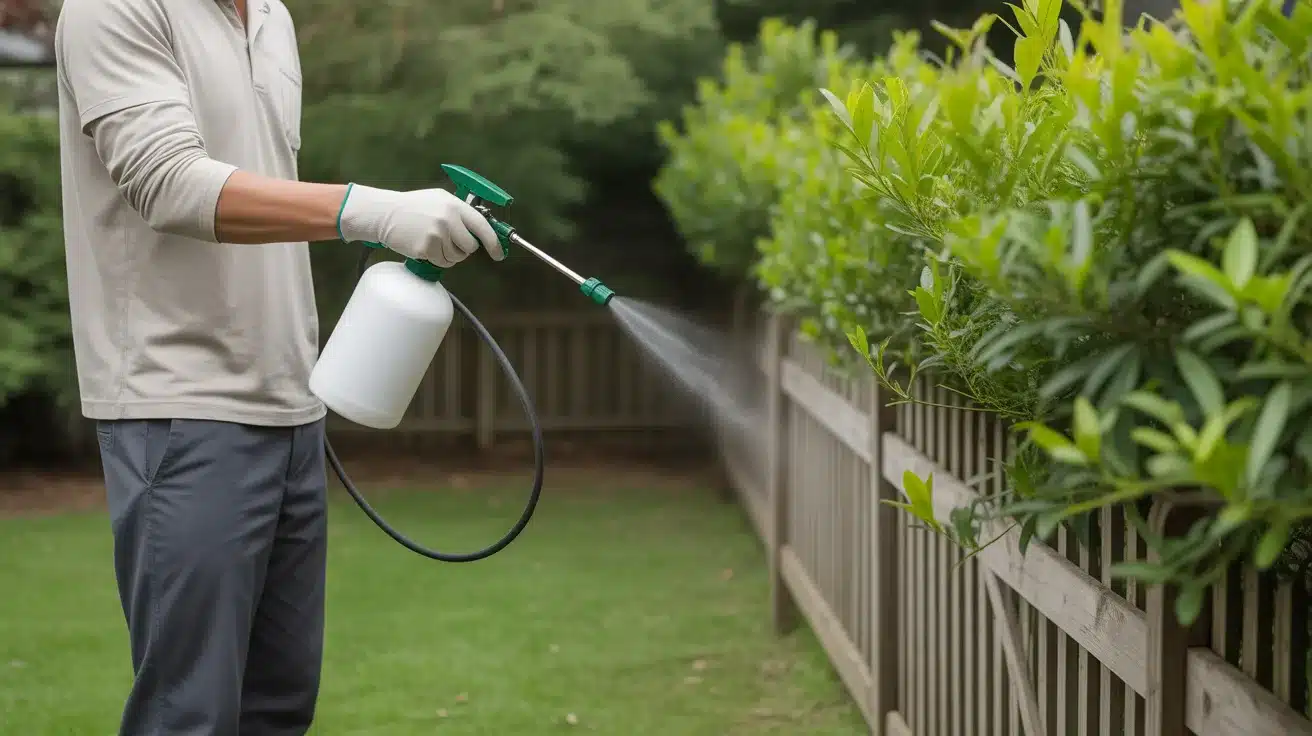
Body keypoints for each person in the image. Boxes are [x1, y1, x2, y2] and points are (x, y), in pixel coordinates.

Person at [53, 0, 501, 733]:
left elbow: (257, 183)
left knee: (280, 708)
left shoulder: (270, 17)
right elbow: (171, 184)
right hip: (181, 407)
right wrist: (371, 209)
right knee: (189, 714)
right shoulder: (115, 7)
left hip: (292, 408)